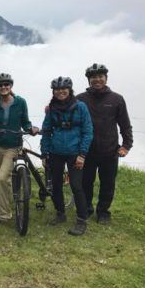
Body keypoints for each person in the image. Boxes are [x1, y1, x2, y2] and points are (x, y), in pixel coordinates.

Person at [77, 63, 133, 224]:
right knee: (85, 182)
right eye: (93, 77)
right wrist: (50, 108)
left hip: (109, 150)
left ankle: (103, 212)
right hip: (86, 151)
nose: (97, 80)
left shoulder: (117, 99)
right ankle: (86, 209)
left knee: (108, 184)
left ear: (106, 78)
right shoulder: (80, 99)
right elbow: (68, 114)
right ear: (89, 80)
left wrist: (126, 145)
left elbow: (125, 124)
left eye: (100, 76)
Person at [41, 76, 93, 236]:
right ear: (53, 92)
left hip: (75, 153)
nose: (60, 92)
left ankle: (81, 220)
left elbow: (88, 131)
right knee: (56, 184)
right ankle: (60, 213)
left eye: (64, 89)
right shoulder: (51, 108)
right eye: (57, 90)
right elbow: (47, 131)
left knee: (77, 186)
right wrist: (44, 153)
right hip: (56, 152)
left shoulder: (81, 107)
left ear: (70, 90)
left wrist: (82, 154)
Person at [0, 73, 38, 222]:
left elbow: (25, 122)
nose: (3, 87)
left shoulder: (20, 102)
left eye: (6, 84)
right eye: (0, 85)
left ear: (10, 86)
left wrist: (30, 129)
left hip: (13, 146)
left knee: (3, 178)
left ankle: (5, 214)